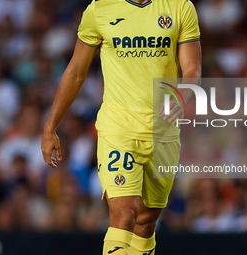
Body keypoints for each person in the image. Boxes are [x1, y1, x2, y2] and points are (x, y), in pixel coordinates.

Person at [41, 0, 201, 254]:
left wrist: (181, 97)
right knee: (124, 215)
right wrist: (50, 126)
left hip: (163, 134)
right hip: (118, 130)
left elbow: (192, 69)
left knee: (146, 223)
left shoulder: (180, 7)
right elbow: (75, 72)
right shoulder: (100, 9)